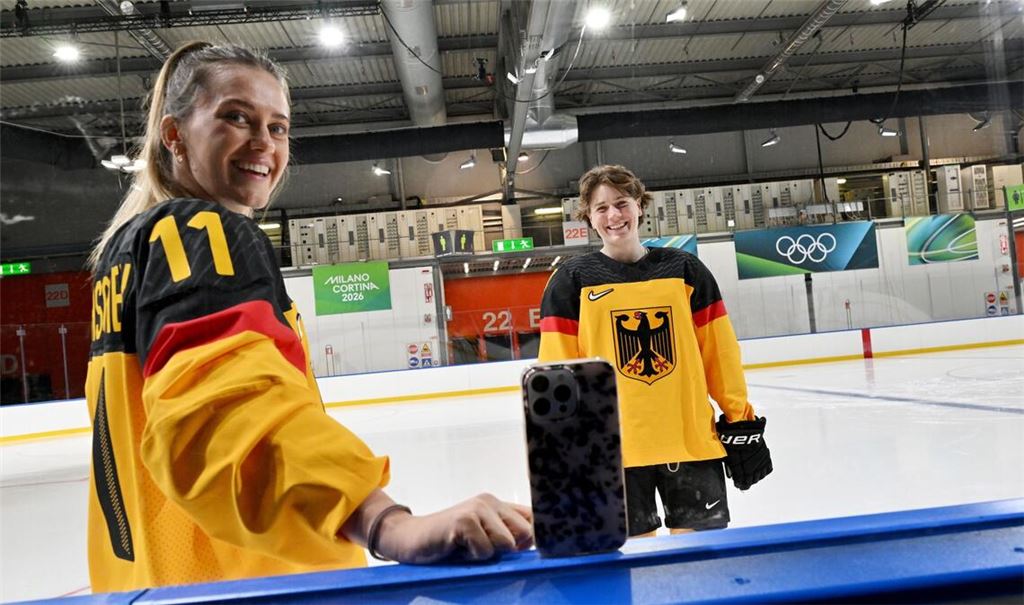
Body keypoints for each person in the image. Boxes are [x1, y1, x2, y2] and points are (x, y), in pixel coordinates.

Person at [84, 41, 532, 593]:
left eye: (278, 127)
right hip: (251, 584)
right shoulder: (202, 234)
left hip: (154, 583)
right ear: (174, 135)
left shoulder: (126, 252)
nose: (263, 143)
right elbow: (225, 415)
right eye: (236, 118)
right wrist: (387, 523)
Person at [537, 165, 772, 538]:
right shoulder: (571, 280)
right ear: (588, 217)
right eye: (601, 208)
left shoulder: (684, 269)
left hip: (691, 443)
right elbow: (556, 371)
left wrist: (740, 419)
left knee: (701, 563)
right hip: (612, 454)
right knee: (635, 566)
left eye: (621, 203)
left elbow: (719, 353)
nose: (613, 215)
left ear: (640, 206)